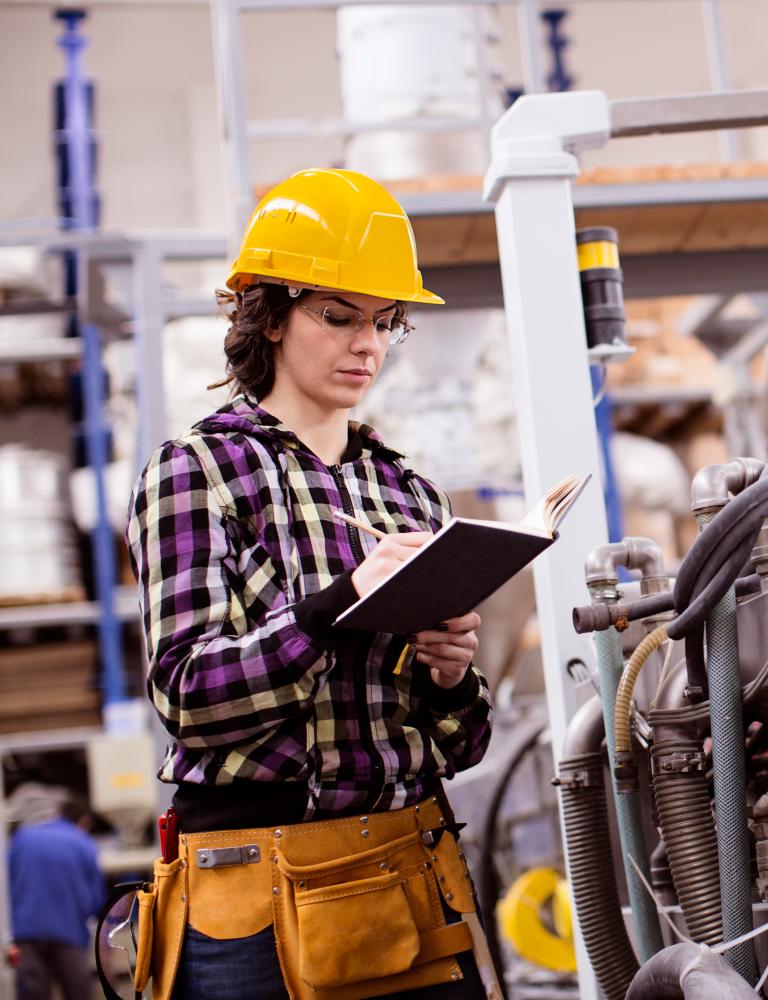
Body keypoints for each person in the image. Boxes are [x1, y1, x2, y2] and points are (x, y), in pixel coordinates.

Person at [125, 168, 496, 1000]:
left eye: (385, 322)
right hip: (251, 895)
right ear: (269, 314)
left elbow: (464, 746)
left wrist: (449, 676)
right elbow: (189, 694)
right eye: (338, 316)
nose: (367, 345)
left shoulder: (410, 494)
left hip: (411, 868)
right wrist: (336, 608)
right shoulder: (196, 474)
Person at [7, 793, 104, 1000]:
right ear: (84, 822)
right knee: (77, 993)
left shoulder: (23, 837)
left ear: (58, 814)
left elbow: (9, 885)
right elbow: (96, 900)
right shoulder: (83, 842)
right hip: (69, 935)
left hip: (27, 934)